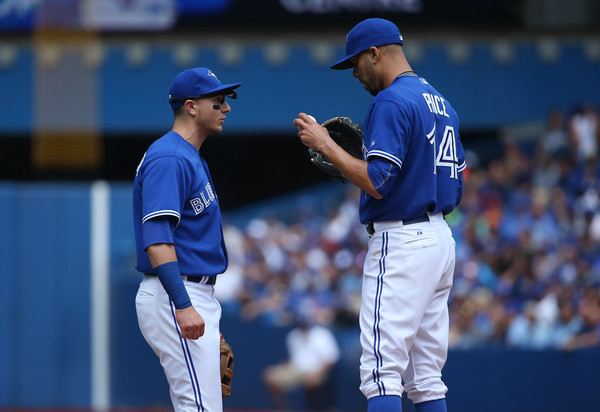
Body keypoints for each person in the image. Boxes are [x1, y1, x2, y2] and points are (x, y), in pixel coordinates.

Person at [294, 18, 465, 412]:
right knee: (425, 378)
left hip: (403, 243)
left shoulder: (390, 101)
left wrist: (328, 145)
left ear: (375, 53)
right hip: (439, 240)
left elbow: (378, 180)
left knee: (380, 373)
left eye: (356, 62)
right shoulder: (443, 103)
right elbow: (454, 186)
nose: (354, 72)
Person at [133, 67, 241, 412]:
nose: (226, 108)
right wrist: (183, 305)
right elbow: (157, 239)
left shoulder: (187, 156)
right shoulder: (170, 158)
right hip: (175, 290)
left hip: (189, 291)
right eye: (218, 101)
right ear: (191, 107)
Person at [263, 315, 341, 410]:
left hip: (318, 371)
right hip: (296, 370)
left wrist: (318, 372)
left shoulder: (322, 334)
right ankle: (283, 408)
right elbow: (294, 359)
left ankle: (317, 408)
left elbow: (332, 360)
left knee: (311, 380)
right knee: (270, 376)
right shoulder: (293, 335)